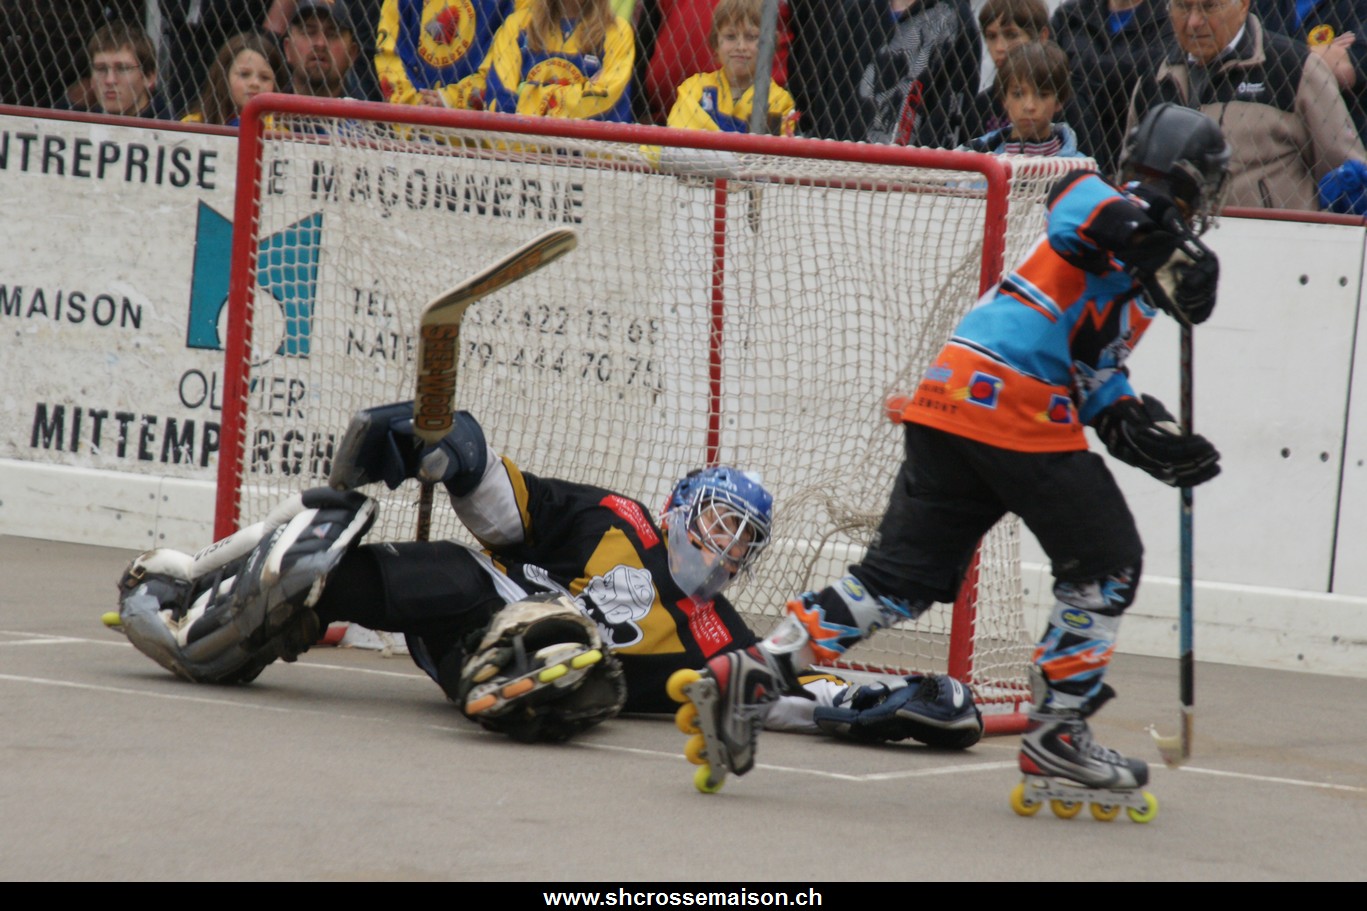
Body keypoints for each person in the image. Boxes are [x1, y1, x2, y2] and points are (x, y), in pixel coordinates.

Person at [674, 104, 1230, 801]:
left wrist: (1139, 432)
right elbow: (1074, 202)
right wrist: (1158, 241)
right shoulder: (1106, 207)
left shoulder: (1143, 278)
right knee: (1107, 564)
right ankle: (1058, 736)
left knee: (898, 581)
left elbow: (1091, 368)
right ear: (1189, 183)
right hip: (1012, 406)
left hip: (951, 401)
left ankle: (756, 669)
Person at [109, 402, 982, 746]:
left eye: (742, 539)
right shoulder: (618, 519)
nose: (724, 546)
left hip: (516, 669)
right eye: (718, 520)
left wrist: (894, 704)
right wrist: (451, 448)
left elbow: (787, 689)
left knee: (573, 666)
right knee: (432, 564)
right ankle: (241, 601)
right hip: (472, 606)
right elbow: (504, 507)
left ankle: (527, 676)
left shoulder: (720, 636)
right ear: (680, 508)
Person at [1129, 0, 1366, 212]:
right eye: (1183, 6)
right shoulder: (1154, 77)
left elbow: (1346, 171)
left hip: (1274, 239)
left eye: (1209, 6)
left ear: (1243, 5)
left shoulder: (1294, 67)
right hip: (1177, 238)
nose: (1194, 22)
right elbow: (1130, 173)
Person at [1050, 0, 1174, 178]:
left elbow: (1154, 71)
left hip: (1134, 133)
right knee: (1069, 99)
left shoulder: (1168, 15)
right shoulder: (1070, 15)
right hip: (1074, 130)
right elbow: (1047, 71)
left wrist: (1077, 74)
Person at [637, 0, 791, 127]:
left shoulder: (778, 101)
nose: (741, 46)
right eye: (730, 37)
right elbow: (679, 135)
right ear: (715, 43)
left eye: (751, 37)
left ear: (770, 44)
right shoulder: (694, 89)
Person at [478, 0, 636, 121]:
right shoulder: (518, 26)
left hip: (588, 152)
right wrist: (579, 92)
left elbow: (605, 102)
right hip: (520, 148)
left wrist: (525, 92)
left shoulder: (617, 32)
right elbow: (499, 102)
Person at [858, 0, 982, 148]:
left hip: (910, 156)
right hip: (845, 151)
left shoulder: (955, 20)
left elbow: (945, 123)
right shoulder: (858, 9)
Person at [1251, 0, 1367, 145]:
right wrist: (1315, 53)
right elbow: (1235, 48)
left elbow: (1346, 68)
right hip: (1266, 136)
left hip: (1334, 140)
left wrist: (1265, 53)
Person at [373, 0, 520, 109]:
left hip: (473, 131)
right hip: (413, 128)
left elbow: (503, 67)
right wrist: (414, 103)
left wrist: (451, 99)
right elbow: (390, 51)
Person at [959, 40, 1085, 157]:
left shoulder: (1080, 168)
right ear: (1004, 99)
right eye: (1018, 94)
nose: (1029, 106)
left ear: (1059, 100)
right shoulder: (970, 158)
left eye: (1042, 95)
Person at [966, 0, 1053, 143]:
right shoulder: (981, 105)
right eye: (991, 36)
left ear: (1042, 37)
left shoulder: (1059, 100)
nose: (999, 47)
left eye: (1011, 35)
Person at [180, 32, 289, 126]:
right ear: (224, 77)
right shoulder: (193, 124)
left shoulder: (281, 135)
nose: (255, 83)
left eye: (265, 77)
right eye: (244, 74)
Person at [82, 21, 176, 119]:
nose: (110, 80)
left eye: (122, 69)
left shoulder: (169, 126)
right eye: (101, 69)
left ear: (148, 76)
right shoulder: (83, 122)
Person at [280, 0, 364, 98]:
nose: (320, 43)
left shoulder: (367, 108)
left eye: (332, 34)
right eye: (309, 32)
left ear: (352, 53)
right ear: (288, 49)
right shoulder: (268, 106)